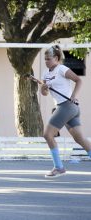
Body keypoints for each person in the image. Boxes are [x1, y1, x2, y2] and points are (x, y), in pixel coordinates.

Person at [40, 45, 91, 178]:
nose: (46, 61)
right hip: (65, 108)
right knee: (80, 139)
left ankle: (58, 167)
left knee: (47, 134)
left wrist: (73, 95)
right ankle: (59, 167)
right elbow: (45, 93)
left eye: (48, 59)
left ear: (56, 58)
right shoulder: (46, 73)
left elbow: (78, 80)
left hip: (67, 106)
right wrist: (43, 88)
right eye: (45, 59)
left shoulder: (62, 69)